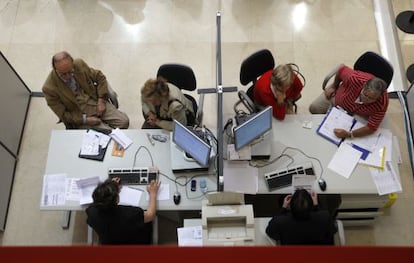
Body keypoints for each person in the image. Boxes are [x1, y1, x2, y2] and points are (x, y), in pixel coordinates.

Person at [42, 51, 129, 129]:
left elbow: (100, 77)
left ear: (73, 63)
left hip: (94, 101)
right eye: (63, 74)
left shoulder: (79, 64)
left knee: (124, 122)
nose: (68, 76)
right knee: (106, 134)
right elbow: (63, 115)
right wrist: (85, 120)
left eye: (70, 71)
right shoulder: (49, 88)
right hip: (79, 114)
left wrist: (101, 100)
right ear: (55, 69)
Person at [309, 64, 388, 139]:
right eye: (365, 95)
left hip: (357, 114)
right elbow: (341, 69)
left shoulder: (382, 103)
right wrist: (334, 86)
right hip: (337, 98)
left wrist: (350, 134)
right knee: (314, 108)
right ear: (364, 86)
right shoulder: (354, 78)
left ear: (379, 97)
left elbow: (371, 127)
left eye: (371, 99)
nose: (366, 100)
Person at [86, 177, 160, 245]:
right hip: (135, 244)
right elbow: (150, 215)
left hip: (109, 243)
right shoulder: (131, 214)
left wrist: (112, 186)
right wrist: (153, 193)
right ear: (117, 200)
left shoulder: (92, 212)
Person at [265, 189, 337, 245]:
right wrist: (317, 206)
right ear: (311, 206)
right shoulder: (325, 217)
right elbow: (333, 230)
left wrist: (283, 207)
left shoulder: (280, 222)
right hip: (318, 254)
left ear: (290, 207)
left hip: (293, 254)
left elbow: (270, 232)